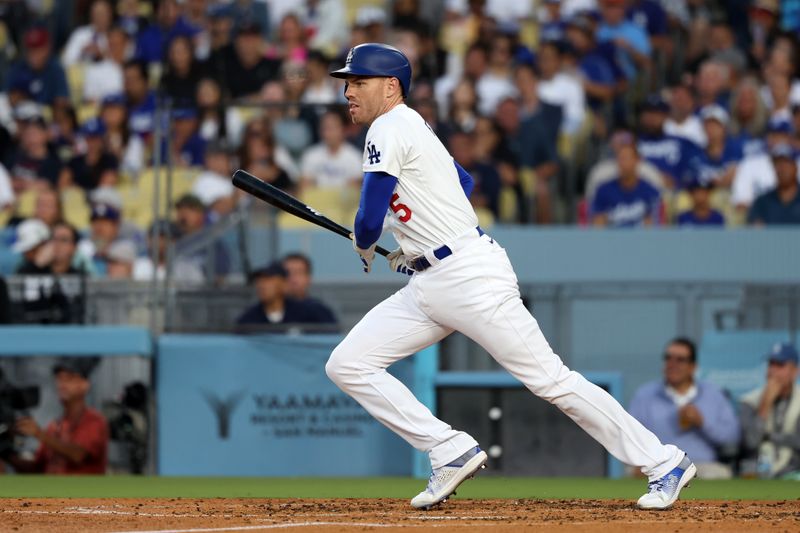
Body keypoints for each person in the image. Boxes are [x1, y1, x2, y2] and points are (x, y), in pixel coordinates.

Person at [325, 43, 695, 511]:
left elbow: (368, 218)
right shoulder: (414, 126)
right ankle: (448, 448)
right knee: (348, 363)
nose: (347, 91)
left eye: (358, 82)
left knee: (551, 380)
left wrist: (366, 243)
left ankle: (665, 462)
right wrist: (413, 245)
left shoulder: (388, 125)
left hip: (469, 276)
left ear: (391, 86)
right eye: (347, 83)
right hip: (432, 281)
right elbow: (462, 183)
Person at [628, 338, 739, 479]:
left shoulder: (713, 394)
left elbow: (732, 437)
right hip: (659, 468)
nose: (672, 364)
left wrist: (703, 423)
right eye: (668, 358)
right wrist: (640, 462)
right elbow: (630, 435)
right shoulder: (645, 395)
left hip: (702, 467)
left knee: (719, 473)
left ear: (693, 367)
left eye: (680, 360)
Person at [5, 357, 108, 474]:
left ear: (84, 385)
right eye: (59, 379)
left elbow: (78, 455)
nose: (62, 385)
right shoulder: (54, 427)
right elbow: (37, 469)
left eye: (69, 379)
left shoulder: (95, 422)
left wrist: (38, 434)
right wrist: (6, 455)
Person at [739, 342, 800, 479]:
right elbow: (751, 443)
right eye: (771, 365)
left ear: (795, 371)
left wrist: (770, 437)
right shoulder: (749, 401)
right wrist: (764, 406)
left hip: (794, 472)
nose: (773, 371)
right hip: (757, 473)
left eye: (780, 365)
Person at [236, 262, 338, 327]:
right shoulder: (248, 318)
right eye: (259, 281)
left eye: (268, 279)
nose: (261, 285)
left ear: (284, 283)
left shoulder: (311, 313)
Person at [591, 142, 661, 227]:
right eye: (620, 159)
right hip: (610, 239)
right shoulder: (603, 191)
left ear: (637, 160)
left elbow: (653, 227)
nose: (622, 163)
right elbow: (598, 226)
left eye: (627, 158)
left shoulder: (650, 191)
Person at [747, 143, 800, 225]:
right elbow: (755, 232)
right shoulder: (762, 202)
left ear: (795, 167)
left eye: (786, 163)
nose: (782, 169)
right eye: (778, 164)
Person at [281, 252, 337, 321]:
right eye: (287, 273)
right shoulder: (266, 311)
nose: (292, 278)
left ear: (309, 278)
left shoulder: (320, 312)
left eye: (299, 272)